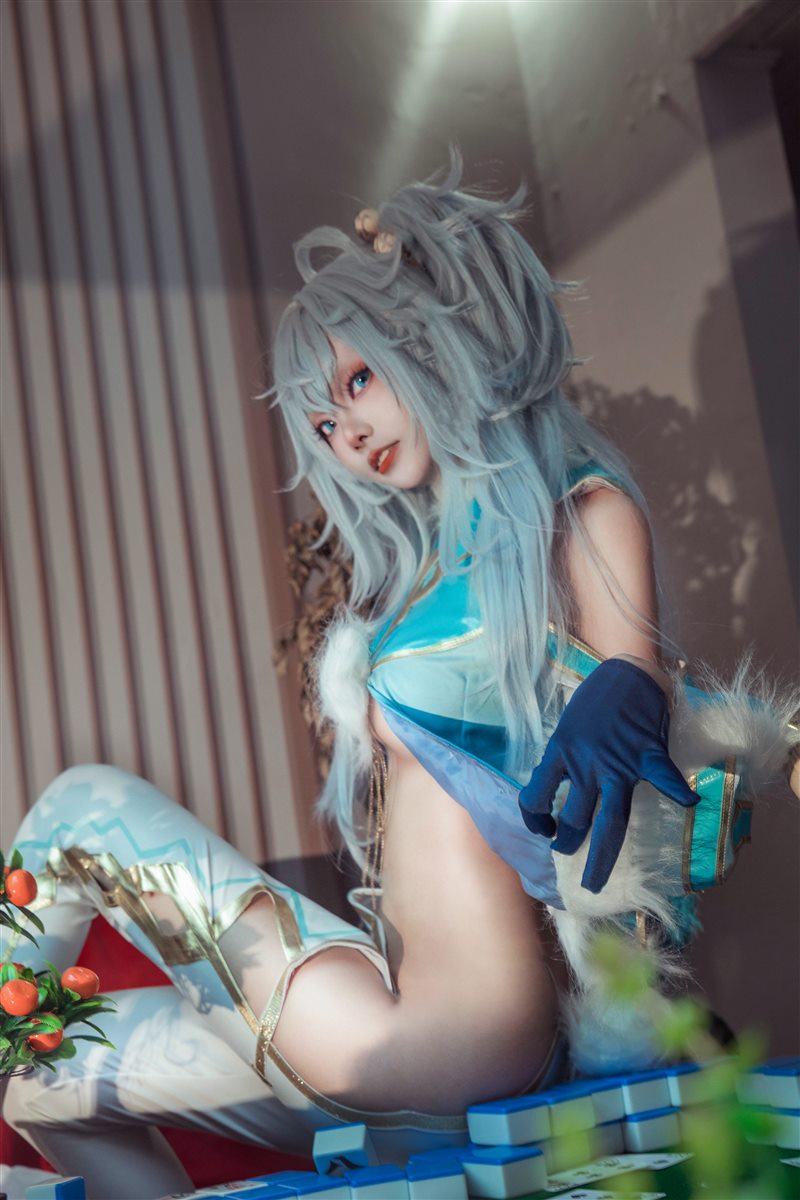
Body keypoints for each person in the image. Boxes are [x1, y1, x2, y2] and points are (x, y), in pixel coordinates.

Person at [3, 153, 796, 1199]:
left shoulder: (576, 512)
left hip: (452, 1031)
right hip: (397, 1020)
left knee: (81, 802)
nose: (348, 433)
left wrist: (631, 689)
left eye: (357, 382)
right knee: (43, 1078)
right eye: (323, 424)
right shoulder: (429, 576)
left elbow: (630, 669)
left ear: (425, 342)